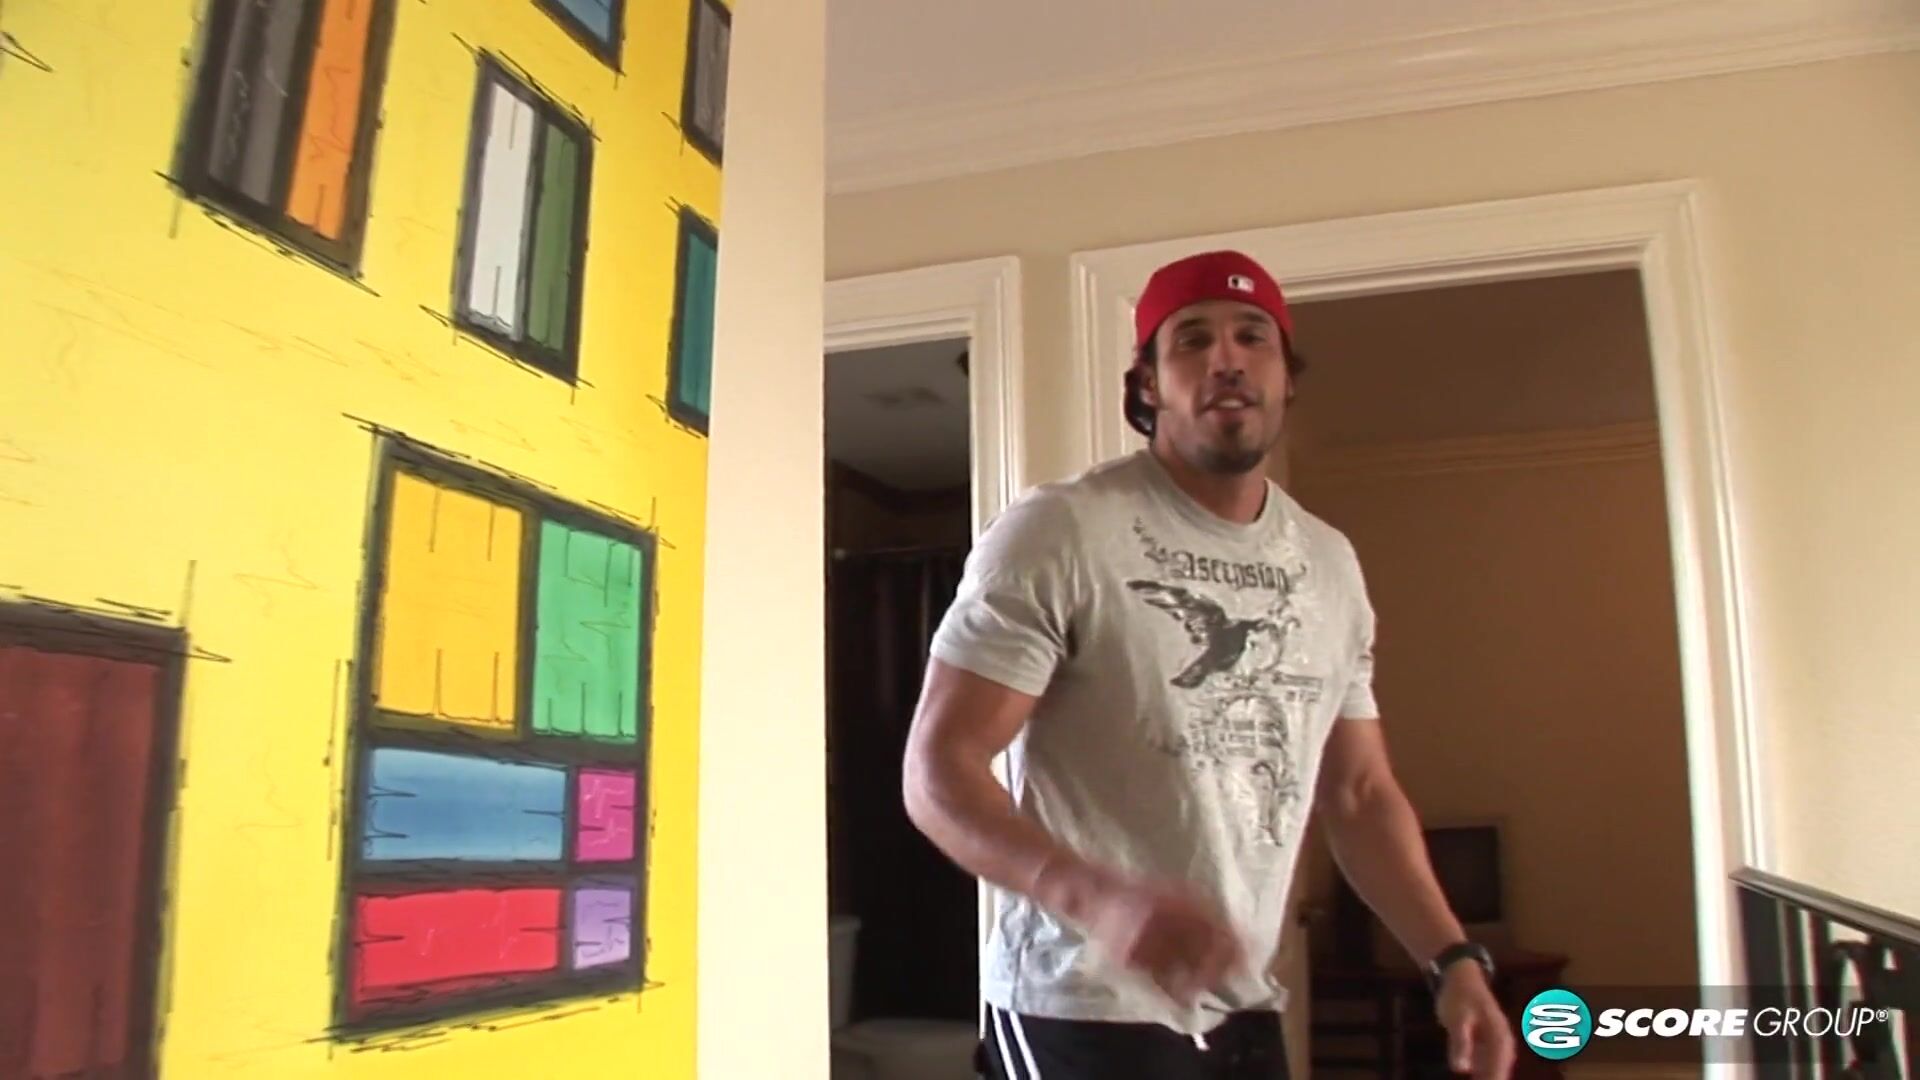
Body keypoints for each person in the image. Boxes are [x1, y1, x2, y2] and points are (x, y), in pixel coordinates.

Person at [900, 250, 1518, 1079]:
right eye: (1192, 339)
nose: (1226, 358)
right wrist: (1097, 898)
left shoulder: (1329, 565)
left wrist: (1453, 961)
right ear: (1149, 385)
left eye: (1252, 336)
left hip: (1243, 1009)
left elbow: (1360, 794)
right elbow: (938, 771)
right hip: (1078, 1010)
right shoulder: (1062, 531)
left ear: (1287, 378)